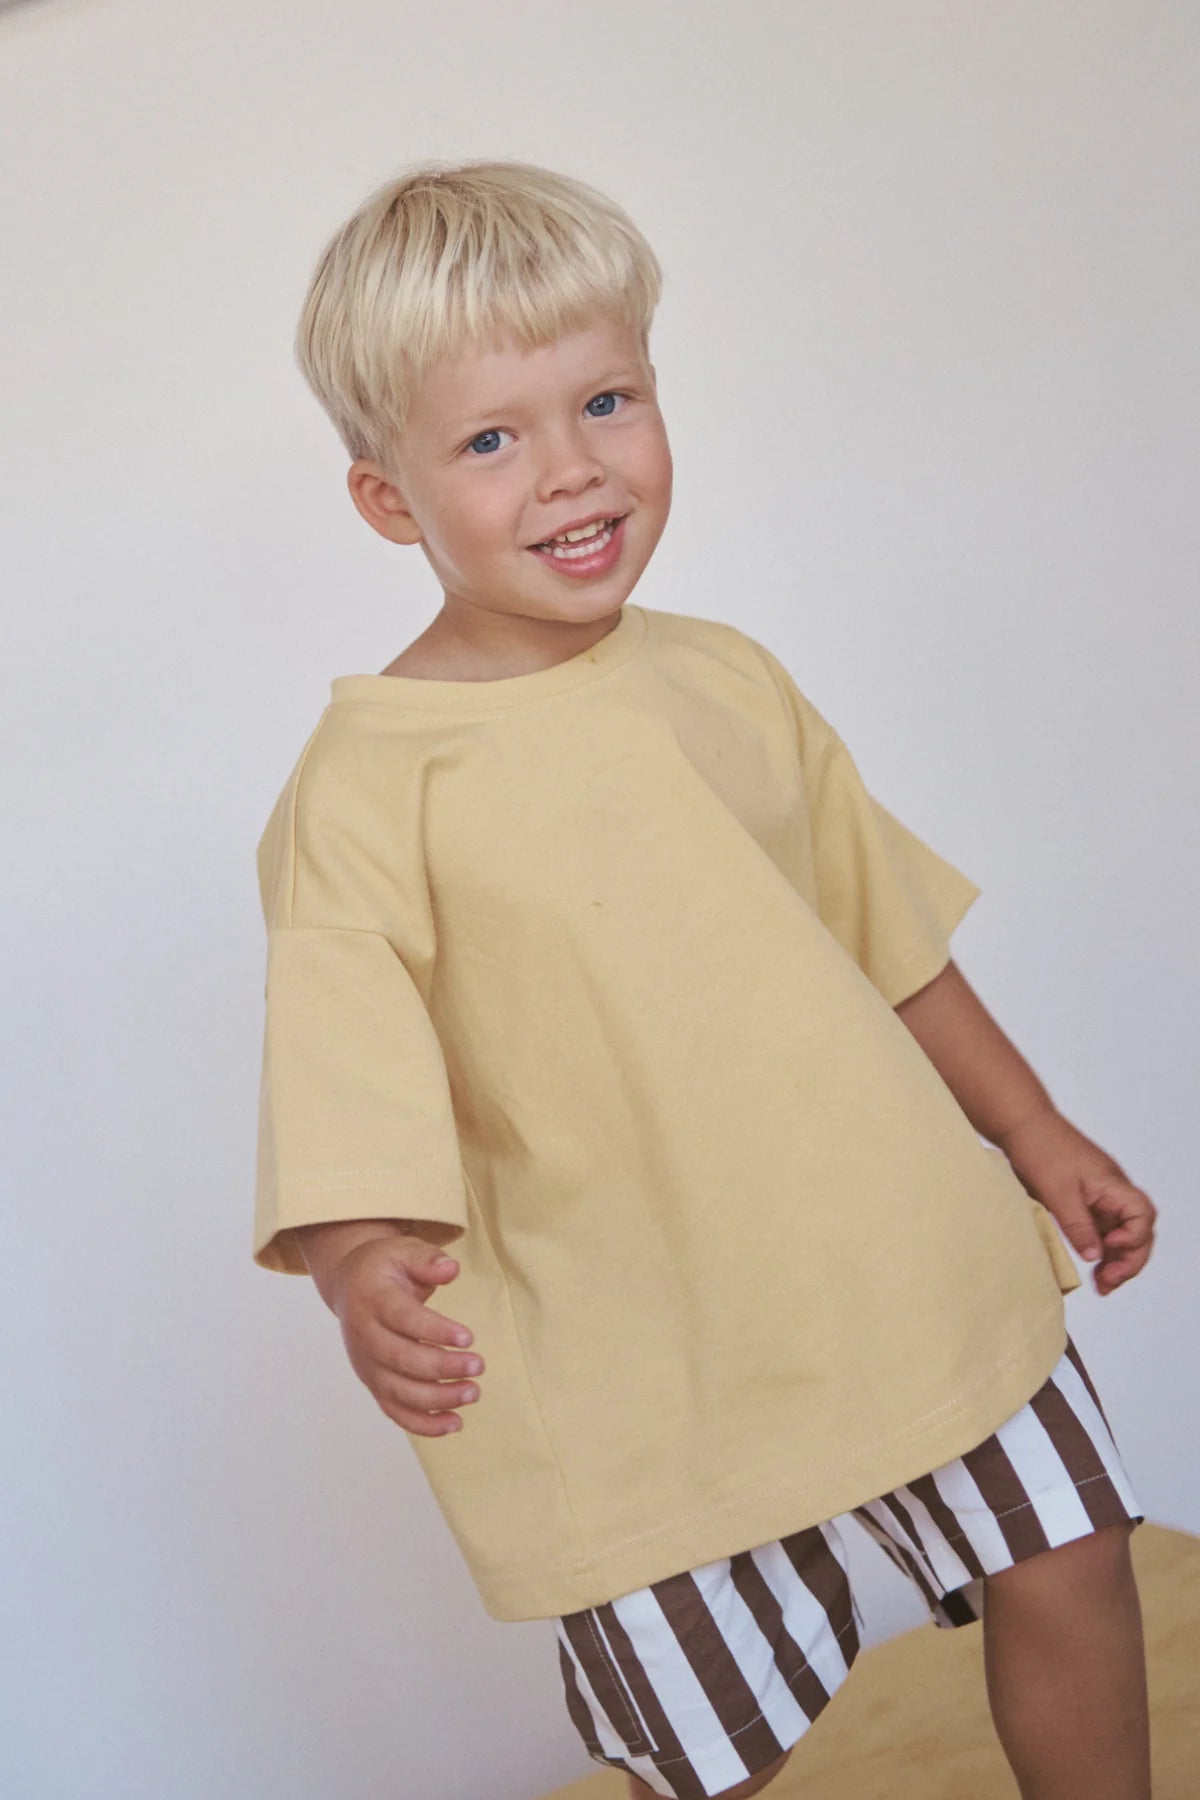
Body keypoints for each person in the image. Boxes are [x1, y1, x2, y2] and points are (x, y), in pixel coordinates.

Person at [251, 159, 1158, 1799]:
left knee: (1073, 1560)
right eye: (491, 439)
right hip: (636, 1351)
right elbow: (344, 1082)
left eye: (607, 400)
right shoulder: (370, 787)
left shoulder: (727, 676)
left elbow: (887, 937)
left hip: (898, 1261)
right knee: (698, 1745)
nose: (576, 472)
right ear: (388, 498)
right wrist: (358, 1268)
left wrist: (1037, 1133)